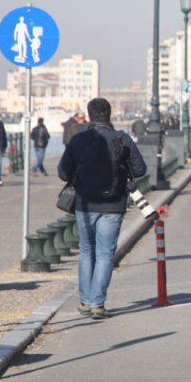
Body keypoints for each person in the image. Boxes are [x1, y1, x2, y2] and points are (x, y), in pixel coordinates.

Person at [58, 98, 147, 320]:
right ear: (109, 115)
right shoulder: (123, 139)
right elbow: (140, 169)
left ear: (89, 116)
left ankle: (85, 301)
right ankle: (98, 304)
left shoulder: (79, 140)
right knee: (105, 254)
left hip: (85, 204)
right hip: (113, 204)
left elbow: (62, 172)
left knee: (87, 251)